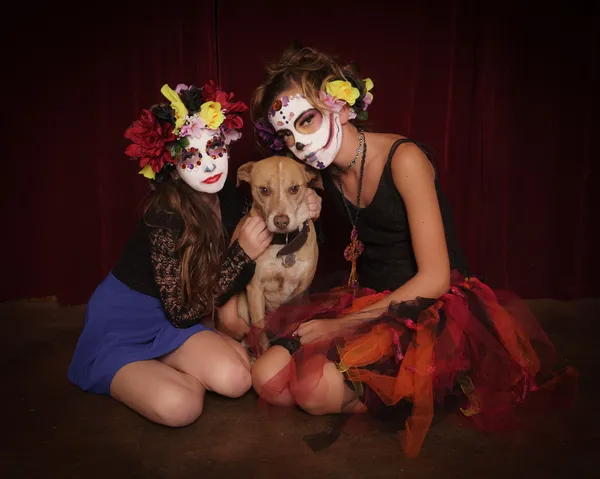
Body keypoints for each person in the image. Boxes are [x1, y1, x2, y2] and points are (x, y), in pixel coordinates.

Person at [248, 45, 577, 457]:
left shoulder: (404, 158)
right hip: (365, 294)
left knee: (312, 392)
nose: (299, 143)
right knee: (265, 377)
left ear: (342, 106)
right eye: (287, 135)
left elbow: (436, 279)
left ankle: (421, 385)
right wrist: (303, 208)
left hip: (425, 306)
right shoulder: (322, 174)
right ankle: (373, 382)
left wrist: (339, 327)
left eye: (307, 120)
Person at [68, 80, 273, 427]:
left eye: (214, 147)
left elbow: (277, 206)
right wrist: (242, 255)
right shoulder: (164, 214)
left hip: (179, 322)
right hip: (128, 322)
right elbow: (179, 312)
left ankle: (171, 361)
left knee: (237, 380)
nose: (209, 165)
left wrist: (307, 205)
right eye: (192, 156)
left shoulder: (229, 196)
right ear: (171, 164)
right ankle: (144, 368)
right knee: (182, 407)